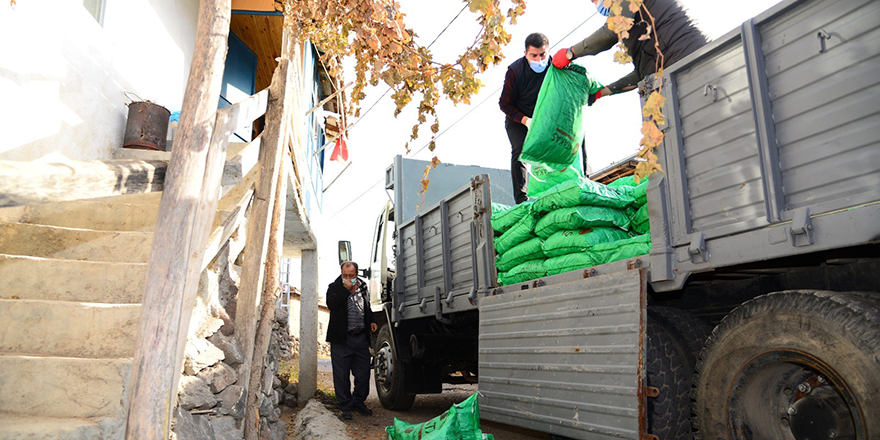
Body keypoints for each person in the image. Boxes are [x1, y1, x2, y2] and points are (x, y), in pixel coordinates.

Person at [552, 0, 708, 98]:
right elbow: (642, 71)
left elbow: (610, 33)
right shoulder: (634, 23)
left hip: (685, 63)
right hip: (676, 69)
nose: (596, 4)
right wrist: (604, 91)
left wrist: (571, 53)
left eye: (594, 0)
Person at [499, 32, 550, 204]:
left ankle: (577, 179)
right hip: (518, 119)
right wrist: (525, 120)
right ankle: (521, 199)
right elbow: (504, 104)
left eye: (542, 54)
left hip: (544, 117)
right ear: (525, 54)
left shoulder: (555, 67)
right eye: (533, 55)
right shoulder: (515, 71)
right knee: (520, 150)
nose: (539, 59)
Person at [326, 260, 378, 420]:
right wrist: (345, 289)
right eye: (345, 275)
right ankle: (344, 407)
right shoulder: (334, 287)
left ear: (357, 274)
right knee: (341, 376)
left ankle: (358, 402)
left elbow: (366, 307)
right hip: (342, 340)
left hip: (360, 338)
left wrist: (371, 320)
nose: (348, 278)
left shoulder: (362, 287)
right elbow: (332, 305)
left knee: (363, 374)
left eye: (351, 275)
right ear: (341, 274)